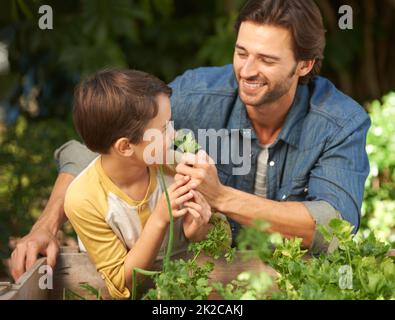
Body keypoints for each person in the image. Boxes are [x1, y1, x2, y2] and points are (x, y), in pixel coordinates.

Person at [10, 0, 370, 280]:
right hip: (201, 281)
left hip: (289, 282)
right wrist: (47, 225)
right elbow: (101, 146)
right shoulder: (197, 94)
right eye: (242, 52)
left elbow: (333, 226)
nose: (246, 70)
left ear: (304, 65)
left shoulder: (340, 122)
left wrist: (221, 196)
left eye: (266, 59)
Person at [54, 69, 213, 298]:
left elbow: (222, 237)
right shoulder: (83, 199)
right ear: (126, 147)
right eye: (164, 128)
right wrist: (159, 219)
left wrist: (200, 231)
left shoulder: (178, 167)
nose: (175, 133)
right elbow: (123, 285)